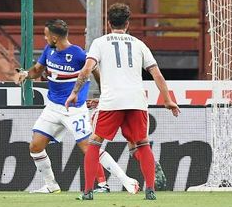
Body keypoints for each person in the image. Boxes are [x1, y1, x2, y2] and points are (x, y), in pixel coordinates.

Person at [65, 3, 180, 200]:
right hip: (136, 100)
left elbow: (86, 69)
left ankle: (88, 191)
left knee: (94, 144)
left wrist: (75, 92)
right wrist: (168, 99)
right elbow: (156, 74)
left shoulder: (100, 43)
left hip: (112, 102)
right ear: (128, 23)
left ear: (108, 22)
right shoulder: (139, 44)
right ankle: (150, 190)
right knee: (142, 144)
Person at [15, 19, 139, 194]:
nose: (45, 38)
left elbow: (95, 70)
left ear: (55, 37)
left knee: (90, 148)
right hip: (52, 107)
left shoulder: (78, 54)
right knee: (35, 146)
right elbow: (37, 70)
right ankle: (51, 185)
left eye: (46, 35)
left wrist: (104, 94)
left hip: (74, 110)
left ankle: (127, 180)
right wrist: (25, 74)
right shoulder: (49, 50)